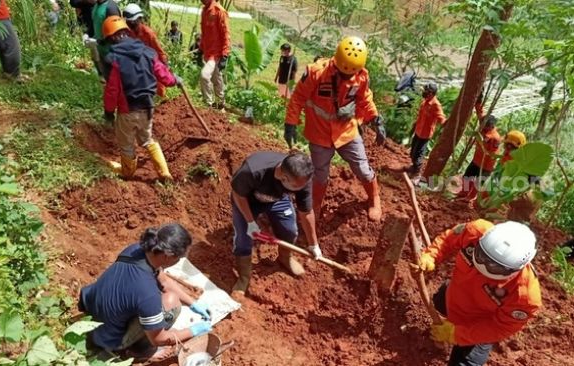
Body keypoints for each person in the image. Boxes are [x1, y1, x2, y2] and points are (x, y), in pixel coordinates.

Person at [284, 36, 386, 221]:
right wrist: (290, 122)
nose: (346, 77)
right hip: (319, 133)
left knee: (362, 168)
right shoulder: (316, 72)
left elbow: (365, 99)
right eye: (342, 73)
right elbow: (298, 98)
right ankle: (315, 205)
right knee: (319, 174)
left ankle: (374, 198)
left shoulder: (361, 77)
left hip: (347, 131)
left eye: (350, 75)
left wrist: (376, 119)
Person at [79, 223, 213, 360]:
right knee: (171, 304)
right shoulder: (147, 294)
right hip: (108, 339)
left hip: (91, 317)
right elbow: (159, 339)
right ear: (168, 256)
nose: (178, 261)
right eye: (178, 258)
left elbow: (164, 281)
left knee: (165, 299)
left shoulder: (136, 250)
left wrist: (193, 304)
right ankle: (141, 350)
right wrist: (194, 330)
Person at [417, 220, 541, 366]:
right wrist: (431, 255)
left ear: (517, 268)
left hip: (476, 325)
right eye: (483, 256)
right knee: (439, 300)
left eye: (495, 267)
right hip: (453, 296)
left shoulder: (524, 297)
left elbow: (500, 327)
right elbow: (448, 239)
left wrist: (457, 335)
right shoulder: (475, 231)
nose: (484, 265)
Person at [230, 151, 321, 296]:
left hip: (277, 200)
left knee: (289, 230)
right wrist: (250, 222)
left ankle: (285, 258)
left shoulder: (302, 179)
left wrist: (313, 244)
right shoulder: (252, 171)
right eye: (296, 187)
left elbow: (306, 212)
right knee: (243, 238)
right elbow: (238, 195)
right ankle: (244, 276)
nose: (301, 189)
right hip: (248, 201)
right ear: (284, 178)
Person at [102, 16, 181, 180]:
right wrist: (175, 80)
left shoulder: (115, 59)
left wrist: (109, 111)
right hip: (147, 108)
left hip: (126, 110)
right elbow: (163, 75)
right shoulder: (147, 52)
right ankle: (164, 172)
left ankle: (127, 172)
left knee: (126, 143)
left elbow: (112, 89)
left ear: (113, 37)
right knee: (147, 139)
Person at [123, 3, 168, 97]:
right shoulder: (127, 33)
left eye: (132, 22)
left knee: (160, 92)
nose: (130, 24)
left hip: (151, 65)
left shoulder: (148, 34)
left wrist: (165, 67)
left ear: (139, 19)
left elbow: (160, 52)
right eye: (128, 22)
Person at [459, 115, 501, 200]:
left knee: (478, 182)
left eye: (485, 126)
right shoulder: (483, 129)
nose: (483, 128)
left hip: (486, 165)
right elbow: (480, 112)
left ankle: (470, 197)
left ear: (490, 126)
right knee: (468, 176)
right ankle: (463, 193)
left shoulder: (495, 137)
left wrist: (482, 142)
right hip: (476, 160)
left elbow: (491, 153)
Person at [408, 82, 446, 175]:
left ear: (432, 93)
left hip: (425, 134)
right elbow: (420, 116)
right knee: (412, 153)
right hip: (418, 131)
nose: (424, 92)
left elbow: (441, 117)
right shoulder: (425, 101)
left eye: (427, 91)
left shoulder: (436, 105)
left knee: (419, 155)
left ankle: (416, 173)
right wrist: (414, 126)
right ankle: (413, 167)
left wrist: (445, 123)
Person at [200, 0, 230, 110]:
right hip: (207, 53)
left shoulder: (219, 11)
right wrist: (201, 48)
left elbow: (226, 34)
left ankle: (209, 105)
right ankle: (221, 104)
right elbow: (204, 32)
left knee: (204, 75)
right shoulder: (204, 11)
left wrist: (225, 55)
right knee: (216, 78)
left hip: (216, 54)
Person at [92, 0, 121, 79]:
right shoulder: (96, 5)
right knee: (106, 78)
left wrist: (102, 41)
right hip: (101, 50)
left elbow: (117, 32)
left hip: (111, 52)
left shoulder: (111, 8)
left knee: (114, 79)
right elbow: (96, 23)